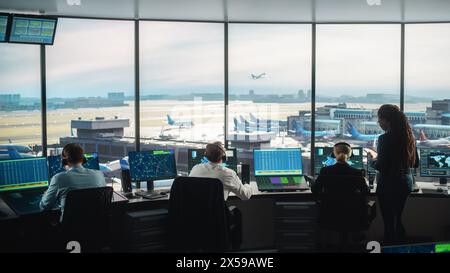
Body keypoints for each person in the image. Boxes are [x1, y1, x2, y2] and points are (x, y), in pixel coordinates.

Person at [367, 104, 418, 244]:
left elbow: (382, 167)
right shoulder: (409, 137)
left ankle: (391, 245)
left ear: (387, 120)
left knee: (389, 222)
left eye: (380, 119)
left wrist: (372, 160)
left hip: (389, 185)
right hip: (406, 182)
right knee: (397, 218)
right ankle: (399, 245)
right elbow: (415, 163)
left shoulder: (384, 139)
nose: (379, 123)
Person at [40, 143, 106, 216]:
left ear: (64, 161)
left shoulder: (58, 178)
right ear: (83, 159)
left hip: (70, 226)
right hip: (97, 225)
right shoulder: (99, 174)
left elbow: (45, 206)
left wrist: (46, 193)